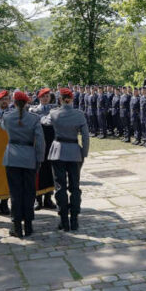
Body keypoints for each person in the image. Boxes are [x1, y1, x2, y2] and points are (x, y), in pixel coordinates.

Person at [1, 91, 45, 237]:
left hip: (12, 157)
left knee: (15, 193)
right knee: (29, 192)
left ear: (13, 102)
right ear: (27, 103)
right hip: (28, 158)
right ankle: (29, 224)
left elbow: (2, 126)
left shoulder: (7, 117)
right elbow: (39, 142)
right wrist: (39, 159)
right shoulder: (34, 118)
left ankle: (16, 225)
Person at [48, 88, 90, 231]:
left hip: (58, 151)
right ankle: (74, 220)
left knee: (60, 187)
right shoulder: (79, 115)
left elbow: (44, 121)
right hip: (73, 152)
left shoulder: (54, 113)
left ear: (60, 99)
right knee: (75, 187)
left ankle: (64, 220)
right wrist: (83, 153)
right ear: (72, 99)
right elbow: (85, 136)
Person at [29, 88, 58, 210]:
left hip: (51, 144)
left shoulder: (55, 110)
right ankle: (37, 199)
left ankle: (48, 198)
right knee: (38, 171)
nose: (45, 98)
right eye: (43, 96)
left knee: (50, 171)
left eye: (47, 96)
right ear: (39, 98)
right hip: (38, 145)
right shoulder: (33, 110)